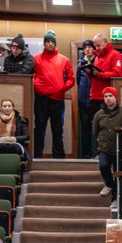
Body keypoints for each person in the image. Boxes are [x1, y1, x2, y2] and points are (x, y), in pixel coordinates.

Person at [29, 30, 73, 159]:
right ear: (44, 43)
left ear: (55, 43)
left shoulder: (64, 60)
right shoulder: (36, 59)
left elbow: (71, 79)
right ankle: (36, 155)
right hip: (41, 99)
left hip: (57, 99)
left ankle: (59, 156)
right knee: (39, 128)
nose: (50, 44)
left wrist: (62, 88)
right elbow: (29, 75)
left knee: (57, 129)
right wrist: (37, 86)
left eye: (52, 41)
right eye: (47, 41)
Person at [92, 87, 122, 207]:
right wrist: (98, 145)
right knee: (103, 165)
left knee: (119, 174)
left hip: (121, 149)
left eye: (110, 96)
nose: (108, 98)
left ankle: (116, 200)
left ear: (116, 97)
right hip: (104, 148)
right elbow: (95, 132)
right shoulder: (99, 114)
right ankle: (109, 184)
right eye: (105, 96)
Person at [76, 41, 98, 158]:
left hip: (95, 100)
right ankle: (86, 155)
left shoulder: (98, 61)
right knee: (85, 128)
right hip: (83, 101)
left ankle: (96, 154)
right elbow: (78, 80)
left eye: (90, 47)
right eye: (85, 48)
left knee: (96, 128)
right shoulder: (80, 63)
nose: (88, 50)